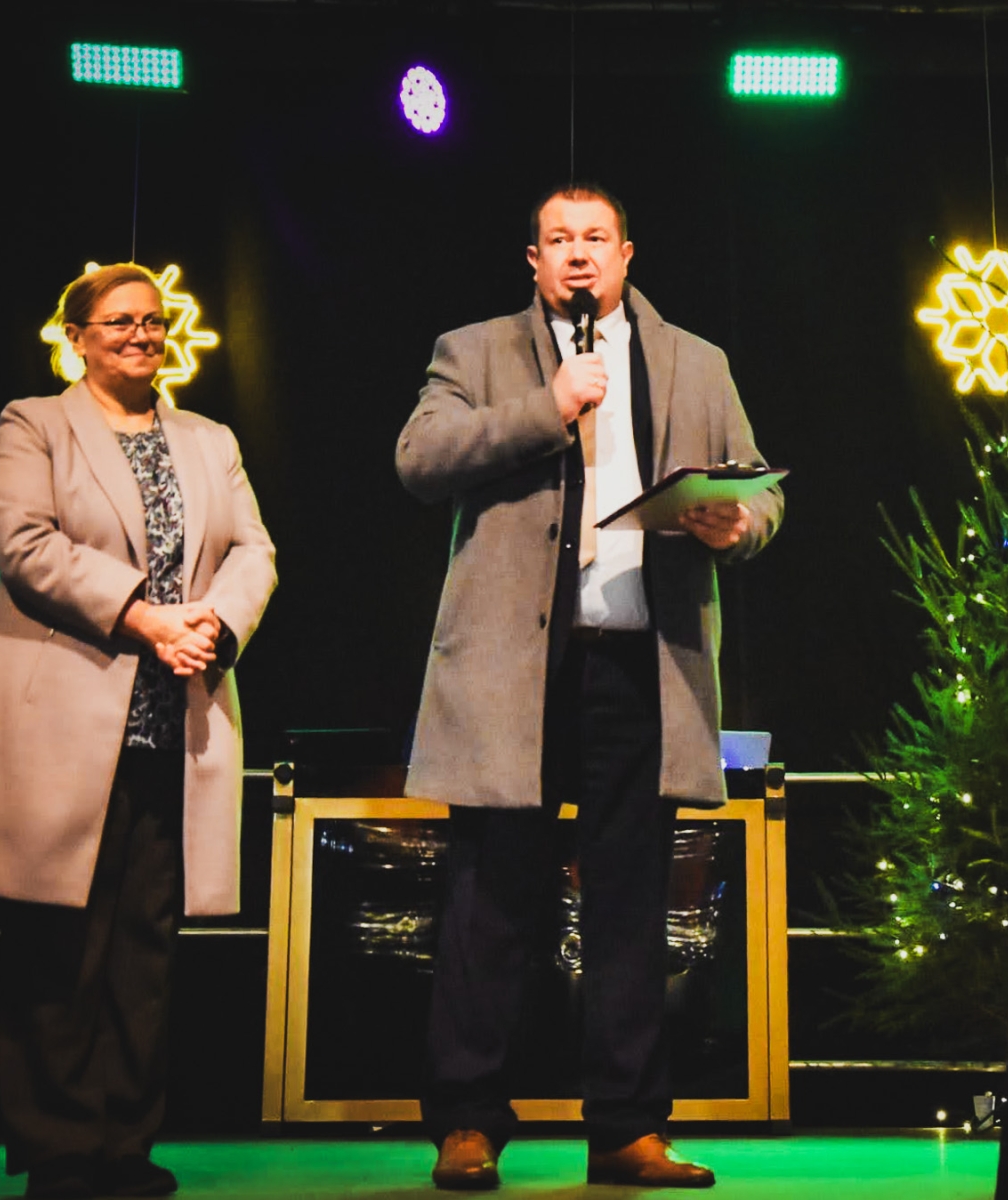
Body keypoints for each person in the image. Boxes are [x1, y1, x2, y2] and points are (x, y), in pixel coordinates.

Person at [396, 183, 782, 1191]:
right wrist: (549, 406)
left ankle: (625, 1128)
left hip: (641, 665)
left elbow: (761, 486)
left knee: (629, 905)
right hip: (514, 669)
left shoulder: (695, 360)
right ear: (533, 261)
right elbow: (420, 459)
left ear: (626, 255)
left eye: (595, 238)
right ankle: (468, 1121)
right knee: (490, 899)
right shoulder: (473, 351)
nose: (578, 253)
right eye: (558, 239)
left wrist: (738, 523)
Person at [0, 263, 277, 1199]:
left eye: (153, 320)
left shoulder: (209, 439)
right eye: (120, 321)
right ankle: (59, 1147)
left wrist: (214, 625)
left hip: (172, 721)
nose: (141, 333)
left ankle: (125, 1142)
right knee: (55, 946)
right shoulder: (33, 424)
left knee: (144, 947)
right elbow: (23, 544)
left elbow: (254, 549)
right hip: (57, 718)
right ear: (78, 337)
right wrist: (147, 618)